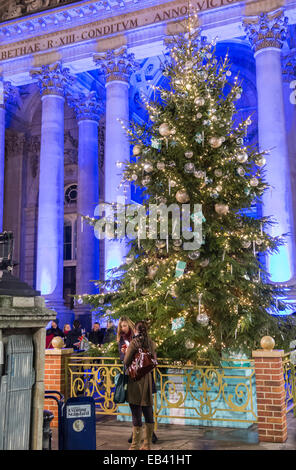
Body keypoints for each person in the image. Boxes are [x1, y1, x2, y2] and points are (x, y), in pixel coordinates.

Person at [123, 321, 157, 450]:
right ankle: (147, 444)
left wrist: (127, 352)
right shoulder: (151, 343)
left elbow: (126, 361)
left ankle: (134, 446)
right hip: (147, 381)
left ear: (136, 330)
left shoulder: (134, 343)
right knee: (148, 412)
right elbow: (154, 361)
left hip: (135, 381)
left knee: (136, 414)